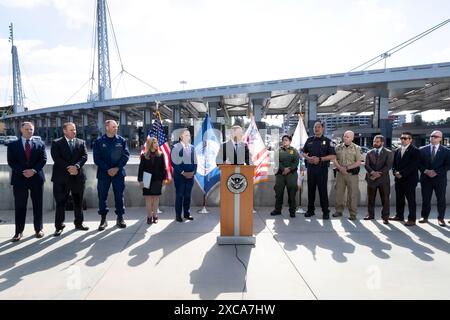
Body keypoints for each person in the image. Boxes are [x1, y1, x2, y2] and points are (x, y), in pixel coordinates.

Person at [7, 122, 47, 242]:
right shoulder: (12, 145)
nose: (29, 131)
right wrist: (24, 171)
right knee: (20, 206)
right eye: (27, 129)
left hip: (36, 179)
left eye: (31, 129)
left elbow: (43, 159)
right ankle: (18, 232)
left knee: (38, 205)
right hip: (20, 179)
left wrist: (33, 171)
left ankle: (38, 229)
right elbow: (11, 162)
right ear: (21, 130)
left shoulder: (40, 143)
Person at [51, 122, 89, 236]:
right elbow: (56, 158)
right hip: (61, 178)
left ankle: (79, 223)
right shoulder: (56, 143)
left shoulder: (81, 142)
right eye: (71, 130)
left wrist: (76, 166)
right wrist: (69, 167)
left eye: (75, 129)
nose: (74, 132)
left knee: (78, 203)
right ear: (64, 131)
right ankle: (59, 226)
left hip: (77, 178)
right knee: (60, 203)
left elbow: (84, 156)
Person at [93, 120, 130, 231]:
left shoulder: (122, 141)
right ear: (107, 127)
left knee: (119, 196)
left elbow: (125, 155)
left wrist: (117, 168)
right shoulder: (99, 141)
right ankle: (103, 219)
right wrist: (108, 169)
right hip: (104, 174)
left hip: (118, 173)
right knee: (102, 196)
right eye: (113, 127)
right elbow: (97, 158)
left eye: (116, 127)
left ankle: (120, 218)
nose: (116, 128)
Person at [303, 121, 336, 220]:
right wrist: (308, 158)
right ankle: (310, 210)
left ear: (322, 128)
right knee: (311, 191)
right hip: (311, 169)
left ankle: (325, 212)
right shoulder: (309, 140)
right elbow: (303, 152)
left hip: (322, 170)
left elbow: (333, 155)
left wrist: (320, 159)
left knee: (323, 191)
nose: (316, 129)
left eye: (318, 127)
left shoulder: (328, 141)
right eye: (314, 127)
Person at [418, 131, 450, 227]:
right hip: (426, 178)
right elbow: (418, 163)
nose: (432, 138)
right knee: (426, 199)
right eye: (431, 136)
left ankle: (441, 218)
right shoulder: (422, 149)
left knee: (441, 199)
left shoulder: (446, 151)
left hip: (440, 179)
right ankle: (424, 216)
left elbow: (448, 165)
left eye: (435, 136)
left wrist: (436, 172)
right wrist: (426, 171)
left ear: (440, 138)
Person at [390, 132, 420, 226]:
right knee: (399, 199)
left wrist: (402, 173)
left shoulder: (415, 150)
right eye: (401, 138)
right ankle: (399, 215)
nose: (403, 140)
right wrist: (395, 172)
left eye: (405, 138)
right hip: (398, 179)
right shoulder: (397, 150)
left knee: (411, 200)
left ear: (410, 140)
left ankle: (412, 219)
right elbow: (394, 164)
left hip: (409, 180)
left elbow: (414, 165)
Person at [333, 131, 363, 220]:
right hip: (340, 174)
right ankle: (338, 211)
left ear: (352, 138)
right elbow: (334, 159)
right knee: (339, 194)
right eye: (344, 136)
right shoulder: (338, 147)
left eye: (347, 137)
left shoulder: (357, 148)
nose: (345, 138)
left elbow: (358, 162)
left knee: (352, 195)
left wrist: (346, 168)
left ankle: (353, 214)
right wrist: (340, 168)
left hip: (352, 175)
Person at [364, 135, 393, 224]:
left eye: (377, 141)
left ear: (382, 142)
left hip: (383, 180)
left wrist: (378, 174)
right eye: (374, 141)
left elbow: (388, 166)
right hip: (371, 179)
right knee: (371, 199)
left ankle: (385, 217)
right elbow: (366, 165)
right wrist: (373, 173)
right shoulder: (369, 153)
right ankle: (370, 215)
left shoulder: (388, 152)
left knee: (385, 199)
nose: (375, 143)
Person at [138, 137, 166, 224]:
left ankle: (155, 216)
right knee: (148, 199)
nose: (157, 144)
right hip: (146, 178)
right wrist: (140, 180)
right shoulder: (144, 155)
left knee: (156, 199)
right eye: (154, 143)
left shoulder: (161, 155)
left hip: (157, 179)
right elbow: (141, 169)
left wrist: (164, 179)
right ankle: (149, 217)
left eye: (157, 142)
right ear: (150, 144)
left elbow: (163, 168)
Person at [271, 135, 300, 218]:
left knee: (292, 193)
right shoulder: (278, 150)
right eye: (283, 140)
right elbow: (276, 161)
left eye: (286, 140)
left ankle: (292, 211)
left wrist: (289, 169)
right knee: (279, 192)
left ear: (290, 141)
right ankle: (277, 210)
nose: (284, 141)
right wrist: (283, 169)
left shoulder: (294, 151)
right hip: (280, 174)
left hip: (291, 174)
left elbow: (296, 162)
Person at [171, 129, 197, 222]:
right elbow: (174, 163)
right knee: (180, 195)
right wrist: (183, 173)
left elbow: (195, 162)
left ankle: (187, 214)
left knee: (187, 195)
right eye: (186, 135)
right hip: (180, 177)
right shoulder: (175, 147)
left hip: (190, 177)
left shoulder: (192, 147)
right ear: (181, 137)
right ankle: (178, 215)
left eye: (189, 135)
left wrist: (193, 172)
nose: (188, 137)